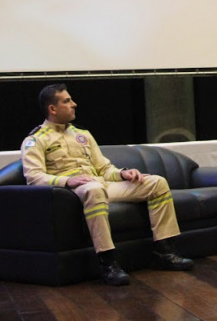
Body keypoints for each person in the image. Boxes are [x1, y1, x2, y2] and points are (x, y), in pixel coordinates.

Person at [21, 83, 194, 286]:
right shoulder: (36, 140)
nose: (74, 104)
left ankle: (164, 252)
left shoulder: (82, 134)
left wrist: (123, 173)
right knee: (94, 189)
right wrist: (67, 181)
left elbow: (103, 168)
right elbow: (33, 176)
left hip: (100, 183)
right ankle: (108, 263)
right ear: (53, 108)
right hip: (73, 191)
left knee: (156, 183)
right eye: (67, 101)